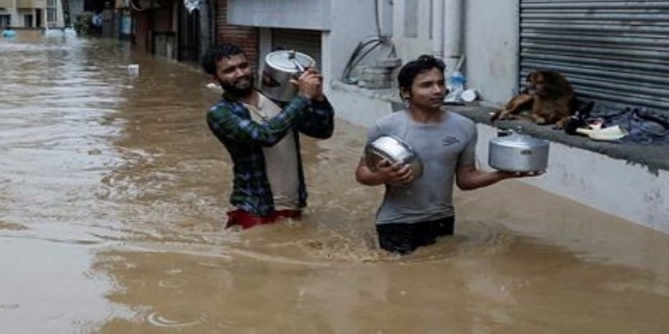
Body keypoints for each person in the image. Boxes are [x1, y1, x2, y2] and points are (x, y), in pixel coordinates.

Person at [355, 55, 543, 254]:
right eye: (426, 85)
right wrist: (382, 176)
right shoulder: (386, 126)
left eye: (440, 83)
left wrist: (503, 174)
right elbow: (362, 173)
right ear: (405, 91)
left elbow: (466, 179)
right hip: (396, 221)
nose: (437, 90)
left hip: (442, 219)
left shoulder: (464, 127)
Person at [203, 44, 335, 230]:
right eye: (230, 70)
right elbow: (264, 135)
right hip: (255, 208)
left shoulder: (281, 100)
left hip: (293, 203)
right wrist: (303, 97)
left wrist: (318, 98)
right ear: (216, 79)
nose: (240, 73)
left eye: (243, 66)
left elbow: (322, 131)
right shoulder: (221, 113)